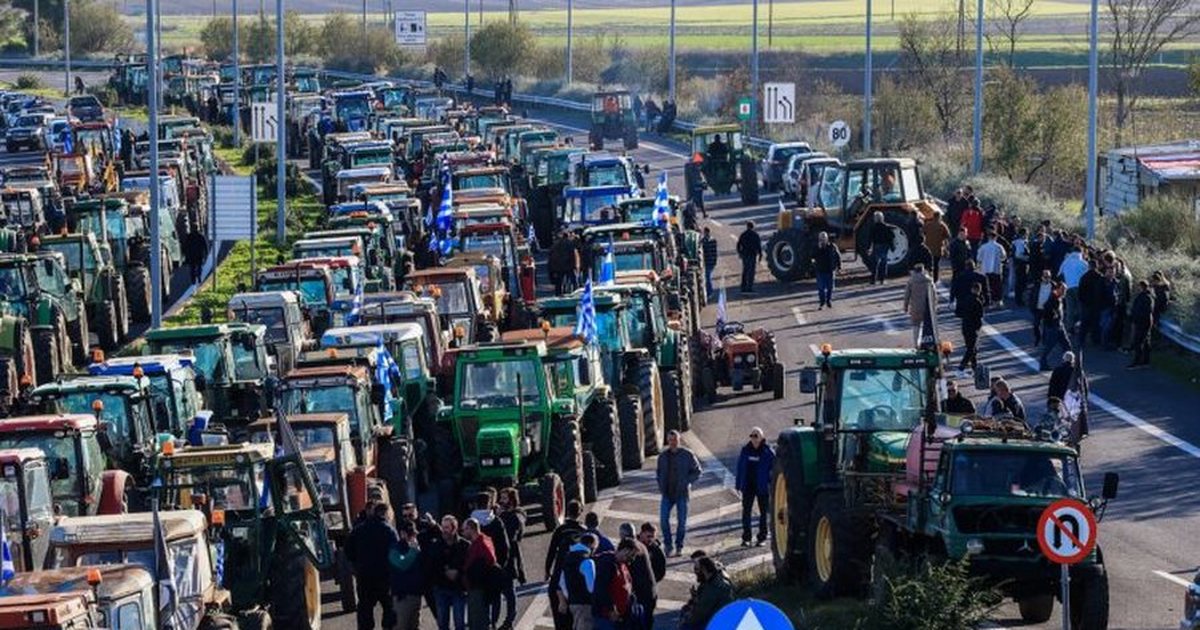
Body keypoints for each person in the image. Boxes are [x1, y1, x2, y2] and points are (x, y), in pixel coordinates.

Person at [345, 502, 400, 630]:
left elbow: (348, 550)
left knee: (365, 609)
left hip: (364, 576)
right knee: (389, 608)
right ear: (386, 514)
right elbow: (396, 554)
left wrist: (357, 564)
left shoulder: (358, 529)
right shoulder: (389, 531)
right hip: (385, 577)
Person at [468, 491, 510, 630]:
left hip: (477, 573)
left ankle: (483, 622)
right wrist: (500, 565)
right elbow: (505, 546)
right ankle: (493, 622)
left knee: (480, 601)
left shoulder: (470, 523)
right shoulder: (496, 521)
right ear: (489, 503)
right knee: (495, 597)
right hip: (494, 567)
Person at [656, 430, 701, 556]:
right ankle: (668, 545)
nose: (672, 442)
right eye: (670, 440)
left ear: (679, 440)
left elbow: (697, 471)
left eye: (675, 440)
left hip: (682, 493)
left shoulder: (687, 454)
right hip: (667, 494)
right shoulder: (663, 456)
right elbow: (659, 473)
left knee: (682, 522)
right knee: (664, 520)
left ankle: (679, 546)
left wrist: (687, 482)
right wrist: (660, 485)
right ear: (667, 441)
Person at [546, 501, 586, 630]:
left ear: (567, 511)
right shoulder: (583, 532)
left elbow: (551, 551)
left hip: (557, 577)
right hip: (576, 581)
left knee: (560, 619)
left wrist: (547, 570)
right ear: (580, 512)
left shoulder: (560, 530)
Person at [735, 427, 774, 547]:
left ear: (761, 437)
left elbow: (775, 469)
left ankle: (761, 538)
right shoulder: (745, 450)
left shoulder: (768, 452)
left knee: (764, 513)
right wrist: (738, 484)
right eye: (751, 436)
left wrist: (771, 484)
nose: (753, 438)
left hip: (762, 487)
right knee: (746, 512)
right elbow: (740, 468)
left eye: (756, 436)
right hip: (748, 486)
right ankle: (746, 538)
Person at [429, 515, 470, 630]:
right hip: (441, 588)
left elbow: (468, 565)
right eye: (443, 527)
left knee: (460, 623)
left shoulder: (464, 545)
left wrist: (457, 572)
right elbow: (431, 566)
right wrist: (445, 572)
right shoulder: (436, 545)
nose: (444, 530)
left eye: (447, 527)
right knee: (442, 623)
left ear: (454, 528)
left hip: (459, 589)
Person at [495, 488, 526, 630]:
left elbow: (511, 535)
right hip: (498, 556)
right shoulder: (504, 515)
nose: (502, 501)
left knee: (509, 591)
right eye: (501, 498)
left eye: (505, 498)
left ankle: (509, 620)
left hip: (510, 557)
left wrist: (500, 517)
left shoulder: (516, 516)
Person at [461, 518, 498, 630]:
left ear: (471, 529)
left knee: (478, 622)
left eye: (464, 529)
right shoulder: (482, 541)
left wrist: (477, 574)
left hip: (478, 587)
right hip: (475, 586)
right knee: (475, 621)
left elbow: (491, 560)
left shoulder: (481, 543)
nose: (463, 532)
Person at [679, 556, 734, 630]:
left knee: (686, 624)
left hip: (716, 622)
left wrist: (686, 618)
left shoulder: (712, 588)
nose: (696, 572)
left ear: (704, 569)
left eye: (697, 569)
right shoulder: (718, 578)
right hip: (723, 619)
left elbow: (699, 613)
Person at [558, 534, 598, 630]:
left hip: (573, 603)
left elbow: (561, 582)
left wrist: (570, 596)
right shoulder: (587, 561)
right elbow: (591, 588)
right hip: (585, 604)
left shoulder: (568, 558)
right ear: (590, 545)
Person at [592, 539, 634, 630]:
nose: (630, 559)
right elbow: (601, 589)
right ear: (625, 550)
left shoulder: (622, 564)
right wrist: (610, 609)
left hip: (618, 616)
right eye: (630, 555)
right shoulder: (607, 564)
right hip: (605, 616)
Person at [390, 519, 424, 630]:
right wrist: (413, 551)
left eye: (413, 533)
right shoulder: (394, 549)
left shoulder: (418, 548)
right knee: (401, 626)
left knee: (414, 626)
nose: (411, 536)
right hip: (402, 597)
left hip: (416, 595)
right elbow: (401, 564)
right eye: (409, 533)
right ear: (402, 534)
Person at [623, 527, 658, 630]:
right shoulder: (642, 547)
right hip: (649, 592)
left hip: (642, 594)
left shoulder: (634, 549)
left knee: (641, 623)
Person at [903, 264, 937, 348]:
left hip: (915, 306)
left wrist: (905, 306)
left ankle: (916, 344)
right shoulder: (928, 280)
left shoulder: (911, 281)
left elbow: (907, 295)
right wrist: (934, 305)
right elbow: (934, 294)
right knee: (928, 325)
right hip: (927, 306)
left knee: (916, 326)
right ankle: (928, 343)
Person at [1039, 281, 1071, 371]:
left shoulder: (1058, 298)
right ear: (1057, 289)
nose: (1064, 292)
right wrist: (1053, 317)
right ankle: (1043, 363)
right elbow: (1047, 311)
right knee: (1049, 346)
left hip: (1059, 324)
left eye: (1065, 290)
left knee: (1066, 344)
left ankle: (1069, 362)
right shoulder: (1053, 299)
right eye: (1063, 290)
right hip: (1053, 326)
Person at [1058, 247, 1089, 331]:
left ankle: (1069, 328)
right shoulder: (1084, 263)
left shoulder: (1066, 261)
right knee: (1080, 308)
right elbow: (1088, 275)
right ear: (1081, 252)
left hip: (1068, 287)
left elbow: (1059, 274)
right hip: (1080, 288)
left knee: (1070, 308)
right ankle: (1080, 327)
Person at [1128, 280, 1155, 369]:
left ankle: (1137, 361)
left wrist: (1136, 317)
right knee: (1146, 342)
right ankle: (1145, 361)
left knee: (1138, 342)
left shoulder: (1146, 297)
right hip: (1144, 321)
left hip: (1143, 322)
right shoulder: (1147, 296)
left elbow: (1145, 311)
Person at [958, 282, 985, 372]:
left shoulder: (965, 299)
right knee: (971, 349)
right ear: (978, 290)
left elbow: (958, 312)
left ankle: (974, 367)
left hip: (965, 326)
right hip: (973, 328)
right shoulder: (977, 302)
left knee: (971, 348)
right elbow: (980, 315)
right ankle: (961, 368)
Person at [976, 232, 1007, 308]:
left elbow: (978, 258)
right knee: (997, 286)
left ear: (988, 237)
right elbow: (1004, 257)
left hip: (985, 269)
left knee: (987, 287)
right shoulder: (999, 246)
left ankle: (989, 302)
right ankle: (998, 301)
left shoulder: (983, 247)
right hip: (996, 269)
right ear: (995, 238)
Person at [812, 231, 840, 309]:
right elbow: (812, 256)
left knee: (830, 287)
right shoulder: (816, 247)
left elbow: (837, 256)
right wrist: (818, 249)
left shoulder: (832, 246)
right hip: (820, 270)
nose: (823, 240)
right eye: (821, 238)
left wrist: (839, 266)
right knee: (821, 288)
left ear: (827, 238)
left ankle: (828, 301)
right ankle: (822, 302)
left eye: (824, 238)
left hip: (830, 270)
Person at [869, 211, 896, 285]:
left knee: (875, 263)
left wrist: (870, 247)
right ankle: (882, 280)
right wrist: (892, 246)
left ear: (875, 218)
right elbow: (891, 237)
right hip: (885, 246)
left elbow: (870, 238)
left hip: (876, 246)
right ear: (882, 218)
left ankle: (873, 280)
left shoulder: (873, 227)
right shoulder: (886, 227)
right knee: (883, 263)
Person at [923, 212, 951, 281]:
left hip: (928, 248)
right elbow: (948, 235)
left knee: (928, 264)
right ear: (939, 217)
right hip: (938, 248)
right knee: (936, 265)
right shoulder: (942, 225)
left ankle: (928, 276)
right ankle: (935, 279)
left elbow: (923, 232)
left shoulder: (928, 225)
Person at [735, 221, 762, 293]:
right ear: (753, 227)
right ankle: (749, 287)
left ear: (747, 226)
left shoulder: (743, 234)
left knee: (745, 270)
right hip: (752, 255)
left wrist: (740, 253)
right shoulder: (755, 235)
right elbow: (759, 246)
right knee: (751, 271)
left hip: (745, 254)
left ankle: (743, 287)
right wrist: (760, 255)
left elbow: (738, 244)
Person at [1031, 269, 1054, 346]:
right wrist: (1031, 306)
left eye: (1049, 277)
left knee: (1046, 327)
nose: (1047, 278)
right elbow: (1032, 296)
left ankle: (1044, 342)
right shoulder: (1037, 285)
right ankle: (1038, 337)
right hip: (1038, 308)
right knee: (1036, 325)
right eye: (1045, 276)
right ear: (1042, 277)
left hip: (1048, 310)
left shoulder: (1054, 286)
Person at [1012, 227, 1030, 306]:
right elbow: (1018, 255)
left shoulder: (1018, 242)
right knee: (1021, 283)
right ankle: (1019, 300)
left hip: (1019, 265)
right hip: (1021, 264)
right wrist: (1029, 258)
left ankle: (1019, 299)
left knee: (1020, 282)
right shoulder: (1020, 243)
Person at [701, 226, 718, 299]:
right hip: (712, 261)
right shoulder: (713, 240)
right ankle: (709, 292)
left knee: (707, 277)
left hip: (707, 261)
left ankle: (709, 292)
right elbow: (715, 252)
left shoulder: (704, 241)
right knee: (708, 277)